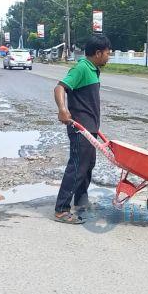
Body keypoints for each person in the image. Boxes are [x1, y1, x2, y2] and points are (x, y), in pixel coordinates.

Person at [52, 35, 111, 224]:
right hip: (80, 127)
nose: (109, 56)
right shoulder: (81, 68)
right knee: (77, 167)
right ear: (98, 53)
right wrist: (63, 109)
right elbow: (60, 88)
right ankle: (61, 210)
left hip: (90, 127)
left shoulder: (93, 69)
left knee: (88, 165)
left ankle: (81, 201)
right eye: (107, 53)